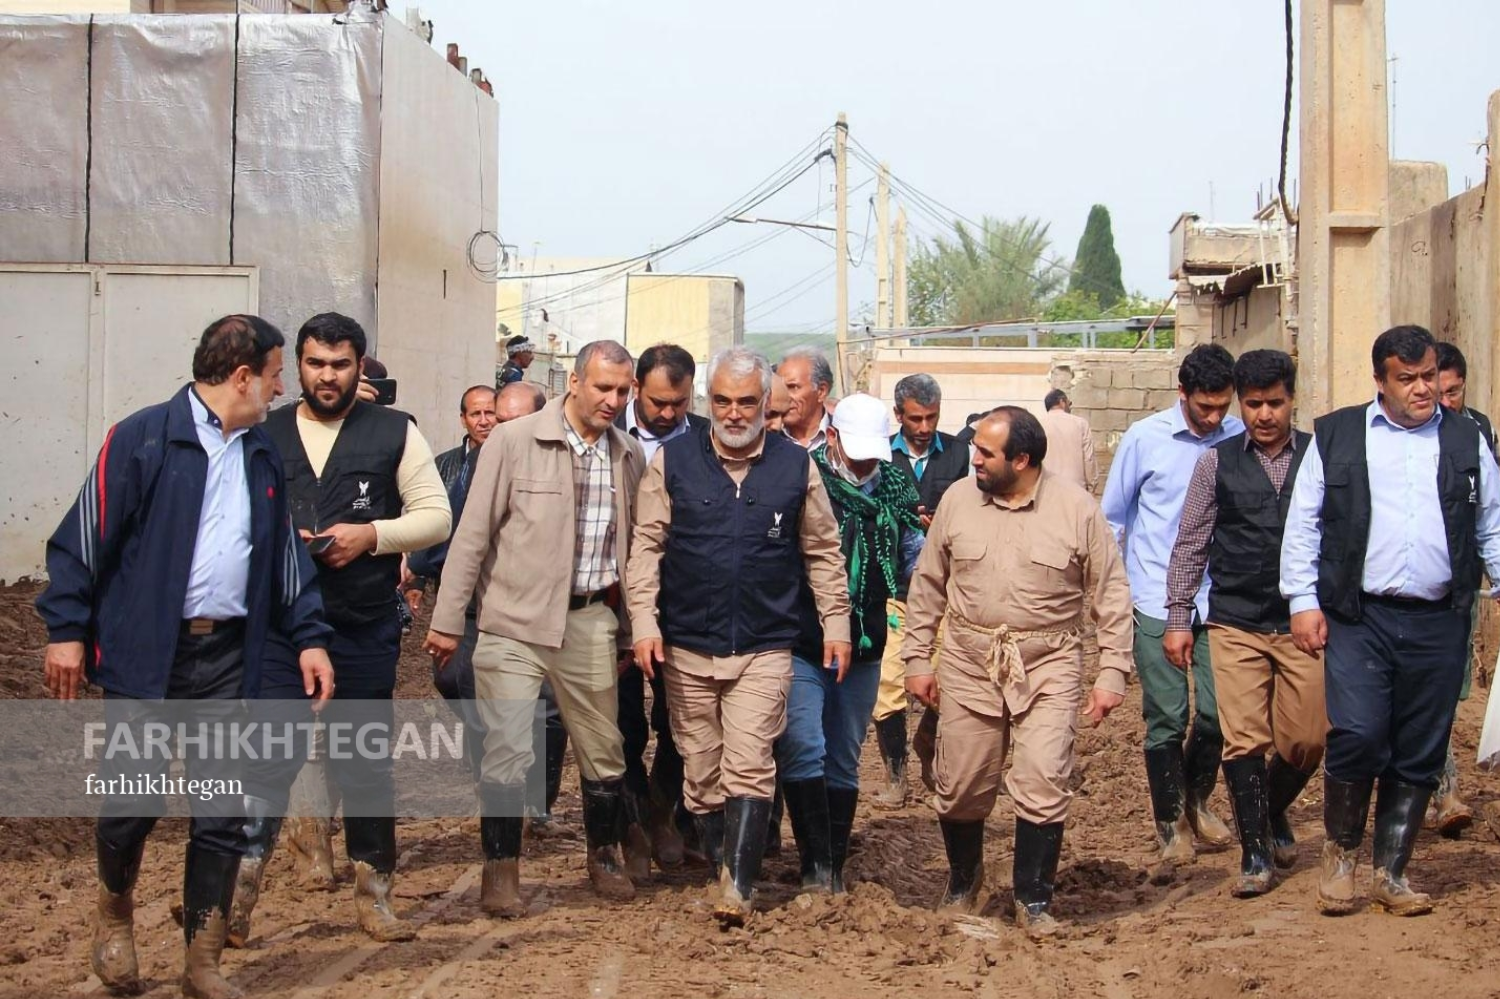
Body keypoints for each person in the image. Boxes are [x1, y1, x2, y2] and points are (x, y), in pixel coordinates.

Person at [36, 314, 334, 999]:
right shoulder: (143, 438)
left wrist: (310, 636)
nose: (280, 387)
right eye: (275, 374)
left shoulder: (259, 453)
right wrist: (66, 628)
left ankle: (202, 960)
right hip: (147, 657)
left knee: (222, 810)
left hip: (227, 657)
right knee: (132, 801)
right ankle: (115, 916)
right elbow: (83, 537)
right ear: (242, 377)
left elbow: (283, 556)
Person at [242, 313, 451, 945]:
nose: (327, 376)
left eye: (340, 364)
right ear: (299, 366)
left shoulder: (394, 431)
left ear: (360, 366)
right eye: (315, 364)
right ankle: (234, 897)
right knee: (266, 761)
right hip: (279, 628)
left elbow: (435, 517)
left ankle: (374, 894)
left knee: (363, 762)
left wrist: (371, 535)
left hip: (361, 624)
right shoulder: (263, 433)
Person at [1280, 325, 1500, 917]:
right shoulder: (1338, 435)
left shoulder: (1466, 439)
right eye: (1408, 379)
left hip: (1440, 618)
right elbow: (1304, 524)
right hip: (1360, 616)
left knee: (1421, 744)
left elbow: (1492, 523)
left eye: (1429, 376)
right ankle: (1341, 856)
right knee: (1358, 732)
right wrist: (1302, 601)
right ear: (1380, 380)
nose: (1423, 388)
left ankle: (1392, 872)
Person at [627, 346, 851, 925]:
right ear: (709, 399)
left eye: (747, 402)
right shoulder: (674, 461)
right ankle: (724, 864)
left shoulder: (794, 466)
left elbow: (823, 551)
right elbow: (646, 548)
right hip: (687, 645)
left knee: (750, 764)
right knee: (702, 775)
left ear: (766, 401)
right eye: (723, 400)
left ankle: (739, 887)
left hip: (764, 645)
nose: (733, 413)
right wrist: (644, 623)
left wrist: (837, 624)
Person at [426, 340, 644, 919]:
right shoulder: (513, 441)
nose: (612, 400)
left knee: (603, 747)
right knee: (507, 747)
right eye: (602, 387)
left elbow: (633, 552)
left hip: (589, 619)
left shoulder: (627, 454)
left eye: (622, 391)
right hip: (513, 622)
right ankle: (501, 870)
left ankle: (603, 856)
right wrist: (447, 622)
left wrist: (628, 629)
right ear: (574, 382)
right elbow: (472, 535)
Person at [904, 407, 1132, 937]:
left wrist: (1112, 672)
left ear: (1022, 459)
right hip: (968, 659)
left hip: (1049, 662)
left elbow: (1111, 593)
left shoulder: (1076, 509)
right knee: (961, 784)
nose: (974, 458)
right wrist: (917, 658)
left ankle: (1034, 898)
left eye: (986, 452)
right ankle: (964, 880)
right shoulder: (958, 500)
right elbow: (928, 584)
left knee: (1044, 776)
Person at [1163, 350, 1324, 897]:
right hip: (1233, 621)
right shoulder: (1216, 462)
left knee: (1307, 740)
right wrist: (1179, 617)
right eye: (1253, 404)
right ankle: (1255, 854)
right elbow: (1191, 543)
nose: (1264, 415)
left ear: (1292, 399)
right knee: (1244, 740)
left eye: (1274, 403)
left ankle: (1271, 808)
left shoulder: (1320, 457)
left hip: (1302, 623)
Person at [1102, 343, 1242, 866]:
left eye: (1223, 406)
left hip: (1219, 597)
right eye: (1205, 407)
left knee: (1219, 712)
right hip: (1156, 596)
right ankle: (1171, 823)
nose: (1214, 417)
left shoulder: (1238, 437)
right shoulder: (1145, 439)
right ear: (1182, 393)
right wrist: (1114, 593)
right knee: (1167, 714)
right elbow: (1113, 517)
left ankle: (1197, 799)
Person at [779, 393, 923, 892]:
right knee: (804, 745)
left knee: (843, 754)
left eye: (872, 455)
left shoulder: (896, 488)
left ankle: (832, 865)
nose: (864, 466)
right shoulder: (801, 478)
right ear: (833, 437)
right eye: (855, 452)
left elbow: (914, 559)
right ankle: (813, 867)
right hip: (804, 638)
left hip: (865, 641)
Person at [613, 343, 707, 872]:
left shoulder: (707, 441)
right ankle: (629, 824)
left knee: (681, 718)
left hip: (686, 604)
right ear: (636, 390)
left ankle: (662, 808)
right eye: (657, 403)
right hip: (614, 603)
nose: (668, 413)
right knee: (623, 721)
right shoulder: (607, 436)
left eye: (679, 402)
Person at [872, 374, 971, 809]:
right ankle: (896, 776)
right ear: (899, 415)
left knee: (950, 680)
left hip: (948, 592)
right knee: (888, 685)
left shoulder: (959, 454)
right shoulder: (880, 456)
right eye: (916, 418)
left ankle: (928, 741)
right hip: (896, 589)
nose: (925, 427)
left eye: (932, 417)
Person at [1430, 341, 1497, 835]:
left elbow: (1489, 512)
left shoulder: (1479, 430)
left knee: (1450, 689)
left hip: (1462, 581)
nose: (1446, 402)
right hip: (1411, 585)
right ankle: (1444, 787)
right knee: (1425, 686)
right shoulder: (1408, 435)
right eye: (1439, 393)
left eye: (1454, 392)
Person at [1039, 389, 1100, 493]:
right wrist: (1091, 486)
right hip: (1076, 488)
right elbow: (1089, 459)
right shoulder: (1080, 424)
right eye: (1069, 403)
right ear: (1062, 402)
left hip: (1047, 488)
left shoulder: (1039, 424)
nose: (1070, 407)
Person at [778, 346, 834, 450]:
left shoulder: (843, 436)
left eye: (793, 387)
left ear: (821, 391)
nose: (783, 396)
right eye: (780, 388)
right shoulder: (768, 440)